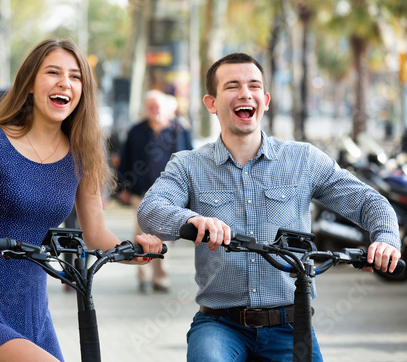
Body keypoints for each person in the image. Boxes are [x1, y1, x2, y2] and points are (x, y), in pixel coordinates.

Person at [137, 52, 402, 361]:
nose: (245, 93)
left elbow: (368, 200)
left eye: (253, 86)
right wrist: (193, 219)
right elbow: (150, 209)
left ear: (265, 99)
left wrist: (385, 239)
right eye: (232, 86)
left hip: (291, 326)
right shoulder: (188, 165)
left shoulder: (303, 159)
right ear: (211, 103)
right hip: (219, 326)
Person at [0, 38, 162, 362]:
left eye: (75, 76)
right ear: (29, 84)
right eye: (53, 72)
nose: (65, 82)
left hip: (33, 312)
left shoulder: (84, 157)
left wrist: (138, 253)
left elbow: (96, 235)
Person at [117, 89, 193, 293]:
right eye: (151, 106)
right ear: (146, 109)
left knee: (163, 234)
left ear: (167, 108)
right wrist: (122, 187)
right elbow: (125, 160)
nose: (155, 109)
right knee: (141, 232)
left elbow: (191, 160)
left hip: (171, 194)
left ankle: (161, 277)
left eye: (158, 106)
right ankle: (144, 277)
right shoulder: (136, 131)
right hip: (141, 191)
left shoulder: (179, 130)